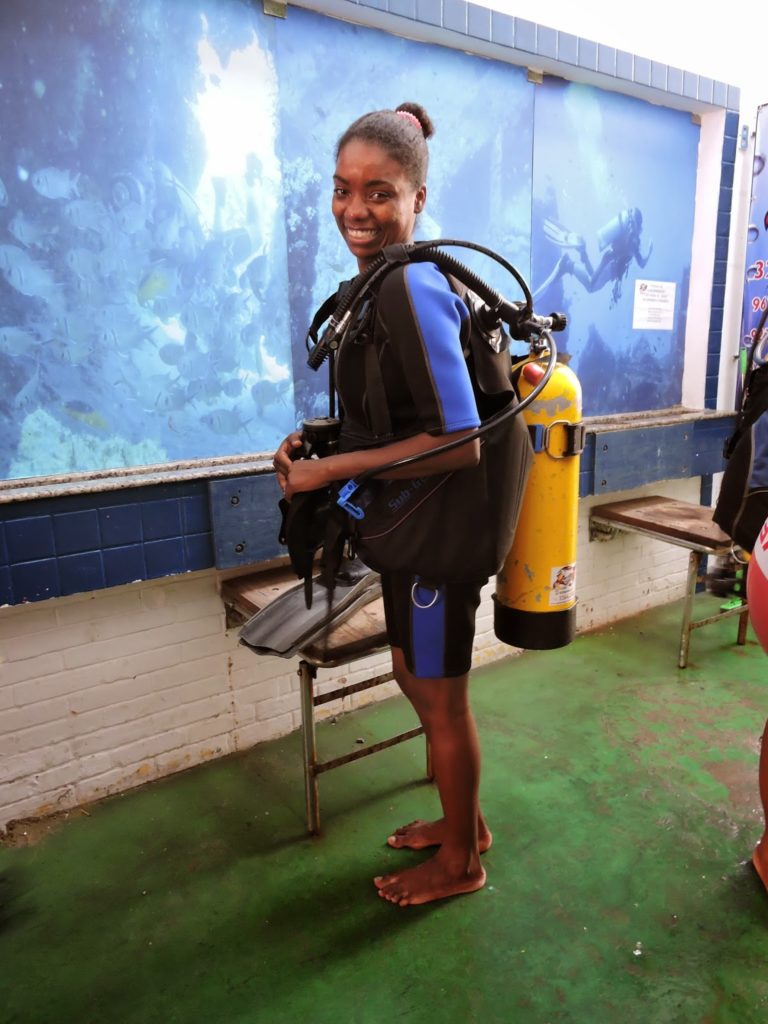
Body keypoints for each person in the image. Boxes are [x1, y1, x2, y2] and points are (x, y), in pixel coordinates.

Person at [273, 102, 496, 907]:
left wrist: (331, 477)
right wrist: (318, 453)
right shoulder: (383, 286)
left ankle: (463, 862)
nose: (355, 211)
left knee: (439, 698)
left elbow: (461, 439)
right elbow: (398, 414)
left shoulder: (410, 286)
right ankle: (460, 823)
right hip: (412, 535)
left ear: (417, 199)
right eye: (342, 191)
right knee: (414, 677)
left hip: (439, 543)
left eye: (379, 193)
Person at [534, 207, 653, 306]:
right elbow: (641, 264)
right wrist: (649, 251)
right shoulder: (634, 242)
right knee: (591, 286)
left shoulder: (629, 237)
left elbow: (619, 253)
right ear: (639, 224)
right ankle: (568, 265)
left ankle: (581, 254)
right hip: (610, 266)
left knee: (591, 279)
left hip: (609, 262)